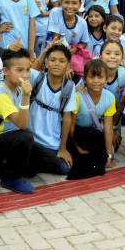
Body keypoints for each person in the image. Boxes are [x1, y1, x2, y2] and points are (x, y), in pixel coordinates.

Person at [0, 49, 36, 194]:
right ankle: (9, 178)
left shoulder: (18, 89)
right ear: (6, 71)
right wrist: (26, 97)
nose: (25, 75)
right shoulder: (1, 94)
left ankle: (17, 168)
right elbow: (21, 124)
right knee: (25, 136)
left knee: (56, 166)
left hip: (14, 141)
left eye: (27, 70)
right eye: (19, 70)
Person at [27, 44, 77, 176]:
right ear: (46, 63)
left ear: (67, 66)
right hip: (31, 138)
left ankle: (36, 163)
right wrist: (44, 52)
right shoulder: (37, 78)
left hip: (52, 143)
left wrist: (63, 148)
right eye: (52, 60)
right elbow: (27, 70)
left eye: (62, 61)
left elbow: (67, 117)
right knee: (27, 166)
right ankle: (34, 163)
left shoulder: (69, 87)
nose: (56, 64)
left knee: (64, 169)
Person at [68, 59, 116, 179]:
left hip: (94, 134)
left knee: (103, 158)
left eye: (100, 77)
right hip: (77, 134)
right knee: (81, 162)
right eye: (91, 77)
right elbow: (71, 125)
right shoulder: (78, 97)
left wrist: (109, 155)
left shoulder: (110, 97)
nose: (96, 81)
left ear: (106, 79)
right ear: (84, 78)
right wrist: (76, 148)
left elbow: (108, 128)